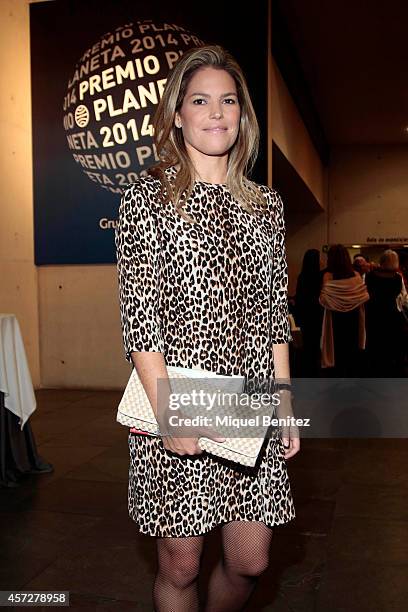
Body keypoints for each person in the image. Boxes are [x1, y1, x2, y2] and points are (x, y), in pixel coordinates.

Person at [115, 45, 299, 612]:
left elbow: (273, 313)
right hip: (179, 395)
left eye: (228, 101)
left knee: (250, 563)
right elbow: (140, 321)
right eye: (200, 100)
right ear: (176, 114)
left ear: (242, 115)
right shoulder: (146, 201)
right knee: (182, 564)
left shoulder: (266, 207)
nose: (216, 112)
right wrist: (169, 416)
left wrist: (286, 401)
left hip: (250, 399)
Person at [319, 245, 369, 377]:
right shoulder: (356, 275)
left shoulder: (328, 276)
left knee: (337, 350)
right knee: (351, 348)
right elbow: (363, 296)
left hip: (335, 319)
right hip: (353, 318)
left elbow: (324, 299)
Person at [365, 249, 406, 376]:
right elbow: (402, 297)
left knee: (376, 344)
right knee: (391, 346)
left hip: (374, 314)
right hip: (392, 314)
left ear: (381, 261)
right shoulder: (398, 278)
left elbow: (365, 294)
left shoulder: (370, 276)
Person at [295, 249, 324, 376]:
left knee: (307, 343)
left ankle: (306, 369)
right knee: (316, 343)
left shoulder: (302, 276)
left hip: (305, 314)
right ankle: (315, 369)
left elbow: (299, 297)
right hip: (317, 313)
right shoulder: (320, 276)